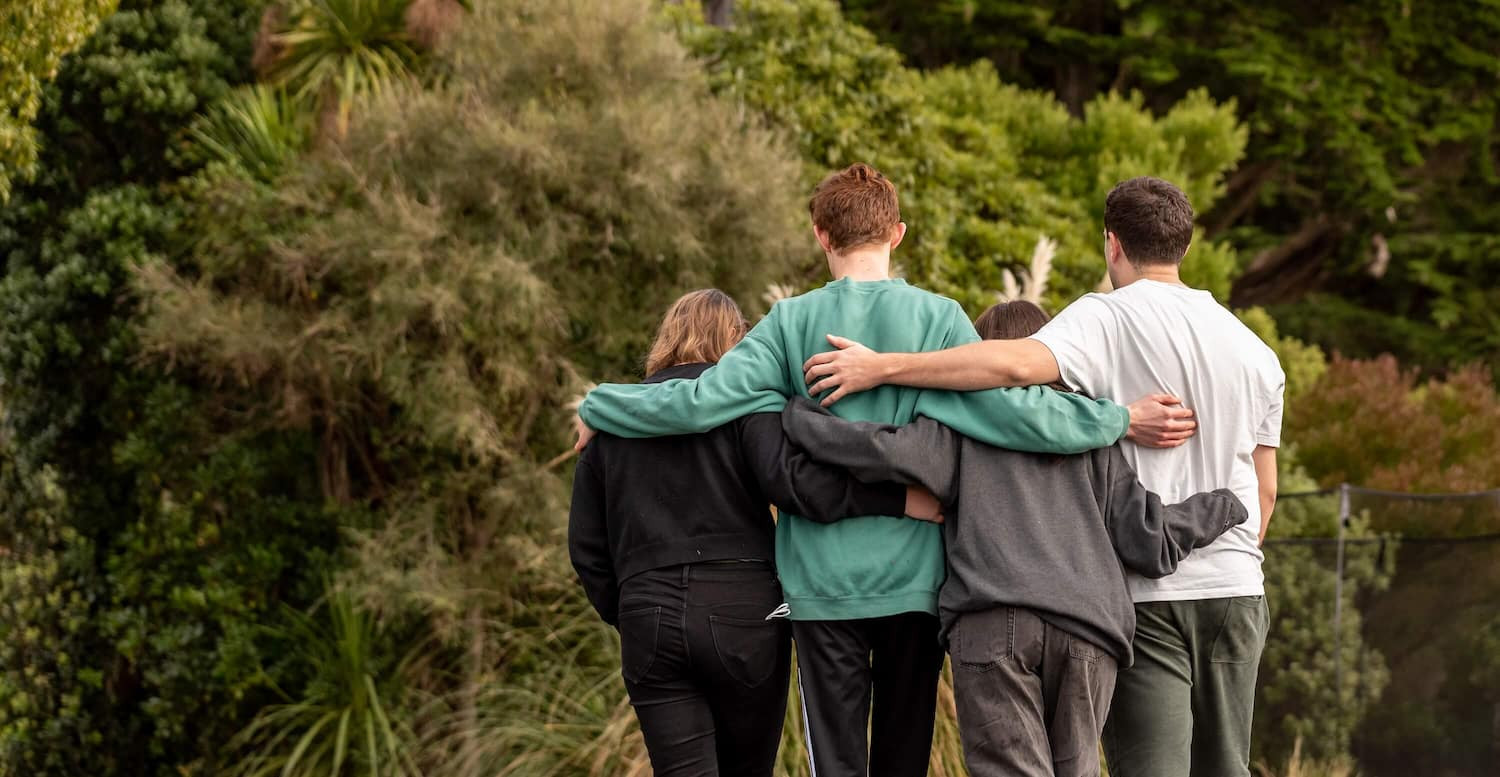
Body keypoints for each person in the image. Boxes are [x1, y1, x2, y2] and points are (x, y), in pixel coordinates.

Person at [574, 164, 1186, 777]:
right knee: (904, 759)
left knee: (835, 764)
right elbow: (1016, 411)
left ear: (821, 236)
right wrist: (1117, 421)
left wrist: (600, 405)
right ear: (896, 233)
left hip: (818, 591)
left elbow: (698, 400)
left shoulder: (785, 325)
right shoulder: (939, 317)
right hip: (914, 585)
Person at [800, 177, 1285, 777]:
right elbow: (1257, 493)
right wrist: (1224, 511)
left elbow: (992, 377)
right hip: (1212, 592)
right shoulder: (1252, 351)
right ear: (1186, 244)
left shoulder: (1097, 327)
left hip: (1089, 609)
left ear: (1113, 244)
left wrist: (861, 382)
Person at [568, 289, 936, 777]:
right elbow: (796, 485)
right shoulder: (746, 406)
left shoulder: (613, 420)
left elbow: (587, 548)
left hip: (646, 610)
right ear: (738, 343)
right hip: (744, 612)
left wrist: (632, 610)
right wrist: (899, 500)